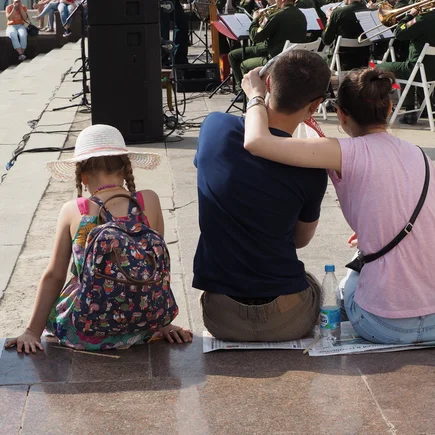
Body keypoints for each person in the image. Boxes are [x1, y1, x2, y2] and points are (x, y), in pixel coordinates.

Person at [241, 64, 435, 344]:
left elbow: (256, 141)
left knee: (345, 282)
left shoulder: (341, 152)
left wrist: (255, 94)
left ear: (341, 114)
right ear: (389, 108)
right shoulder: (421, 156)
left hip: (383, 325)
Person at [4, 125, 192, 355]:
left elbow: (54, 274)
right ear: (125, 169)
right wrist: (162, 322)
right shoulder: (148, 201)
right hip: (142, 325)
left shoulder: (75, 210)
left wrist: (32, 331)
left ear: (82, 176)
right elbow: (155, 269)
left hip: (85, 330)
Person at [194, 50, 331, 342]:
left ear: (266, 83)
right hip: (288, 319)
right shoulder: (312, 165)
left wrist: (255, 98)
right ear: (316, 105)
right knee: (314, 286)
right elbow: (301, 240)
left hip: (221, 317)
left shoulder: (215, 127)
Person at [378, 3, 435, 124]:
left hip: (416, 69)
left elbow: (399, 33)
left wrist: (409, 16)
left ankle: (377, 109)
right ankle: (417, 110)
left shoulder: (423, 19)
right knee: (410, 71)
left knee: (374, 68)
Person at [228, 0, 307, 91]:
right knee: (236, 54)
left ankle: (247, 95)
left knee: (243, 65)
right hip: (290, 55)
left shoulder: (276, 16)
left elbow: (255, 37)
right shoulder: (300, 14)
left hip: (276, 59)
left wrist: (255, 19)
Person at [322, 0, 370, 70]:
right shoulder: (371, 12)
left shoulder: (338, 12)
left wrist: (330, 20)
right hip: (364, 62)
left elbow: (326, 41)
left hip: (340, 63)